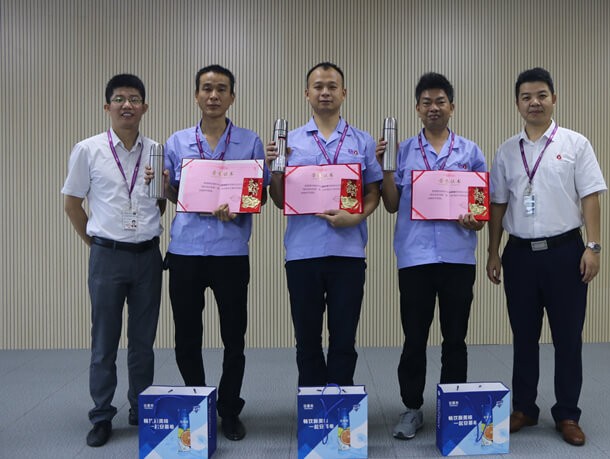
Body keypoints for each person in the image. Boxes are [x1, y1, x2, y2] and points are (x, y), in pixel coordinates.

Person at [486, 67, 607, 446]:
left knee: (568, 337)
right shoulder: (507, 151)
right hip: (519, 255)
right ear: (517, 104)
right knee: (523, 336)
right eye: (526, 97)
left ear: (554, 99)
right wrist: (493, 252)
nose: (534, 102)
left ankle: (567, 413)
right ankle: (524, 408)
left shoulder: (575, 144)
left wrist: (593, 246)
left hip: (565, 253)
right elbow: (497, 205)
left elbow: (590, 196)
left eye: (541, 95)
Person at [158, 64, 269, 441]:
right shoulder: (176, 142)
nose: (213, 95)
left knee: (234, 337)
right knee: (186, 335)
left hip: (230, 251)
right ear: (196, 96)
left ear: (232, 97)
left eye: (221, 89)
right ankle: (198, 403)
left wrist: (240, 206)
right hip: (186, 250)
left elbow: (258, 195)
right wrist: (166, 186)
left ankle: (229, 408)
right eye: (206, 88)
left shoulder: (250, 142)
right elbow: (172, 193)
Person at [376, 72, 487, 439]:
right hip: (415, 258)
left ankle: (452, 405)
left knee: (455, 337)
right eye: (427, 102)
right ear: (417, 109)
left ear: (452, 107)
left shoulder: (470, 152)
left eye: (440, 101)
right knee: (414, 338)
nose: (434, 108)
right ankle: (411, 408)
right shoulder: (403, 150)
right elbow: (391, 204)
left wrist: (474, 220)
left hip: (458, 258)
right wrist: (386, 168)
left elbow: (479, 212)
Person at [265, 62, 382, 387]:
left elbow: (373, 192)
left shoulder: (362, 141)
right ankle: (313, 406)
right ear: (307, 93)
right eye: (318, 87)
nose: (325, 92)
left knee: (344, 339)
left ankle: (341, 405)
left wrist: (356, 216)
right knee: (307, 340)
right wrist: (275, 171)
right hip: (303, 253)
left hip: (349, 253)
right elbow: (279, 200)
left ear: (344, 93)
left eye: (332, 86)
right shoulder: (289, 142)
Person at [62, 74, 164, 447]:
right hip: (107, 256)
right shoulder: (88, 150)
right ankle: (102, 414)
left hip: (148, 256)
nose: (127, 105)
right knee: (104, 339)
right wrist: (95, 242)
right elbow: (72, 204)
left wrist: (162, 185)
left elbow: (161, 202)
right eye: (119, 99)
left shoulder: (157, 150)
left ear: (144, 107)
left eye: (134, 99)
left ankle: (140, 406)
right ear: (107, 107)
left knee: (143, 341)